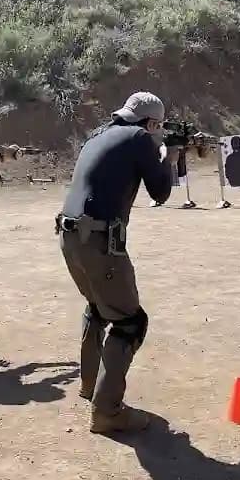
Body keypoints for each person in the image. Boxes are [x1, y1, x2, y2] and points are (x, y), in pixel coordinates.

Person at [57, 92, 178, 434]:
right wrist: (168, 156)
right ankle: (107, 411)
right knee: (130, 323)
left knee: (98, 307)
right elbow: (161, 193)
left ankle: (90, 385)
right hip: (97, 241)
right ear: (151, 124)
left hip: (70, 236)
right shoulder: (139, 138)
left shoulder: (99, 133)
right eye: (158, 126)